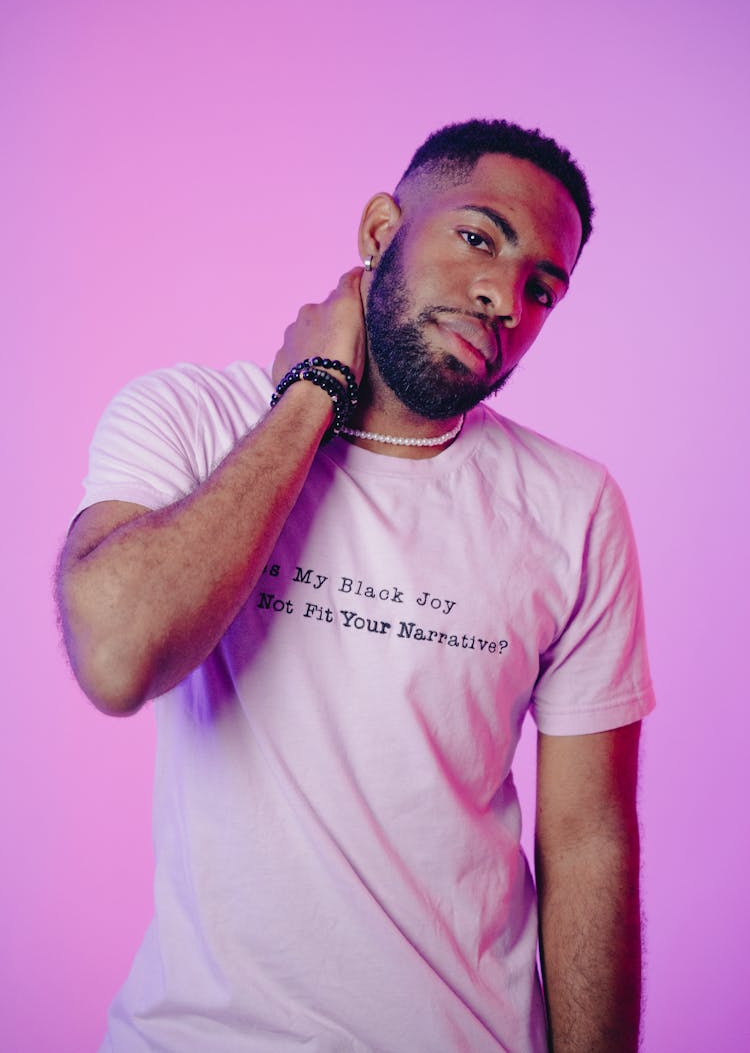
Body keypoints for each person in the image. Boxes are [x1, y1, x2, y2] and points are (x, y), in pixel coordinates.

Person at [57, 119, 655, 1053]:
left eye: (544, 286)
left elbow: (588, 840)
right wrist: (311, 395)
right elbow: (117, 654)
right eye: (478, 237)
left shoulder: (573, 508)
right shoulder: (192, 418)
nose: (505, 295)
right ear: (382, 231)